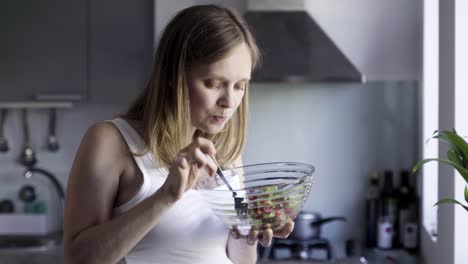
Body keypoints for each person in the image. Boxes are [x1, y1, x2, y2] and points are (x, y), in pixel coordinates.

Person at [63, 4, 294, 264]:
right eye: (213, 84)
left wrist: (249, 231)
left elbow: (242, 260)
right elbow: (78, 259)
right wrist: (166, 196)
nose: (229, 102)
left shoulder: (227, 152)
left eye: (240, 86)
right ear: (174, 75)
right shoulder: (111, 141)